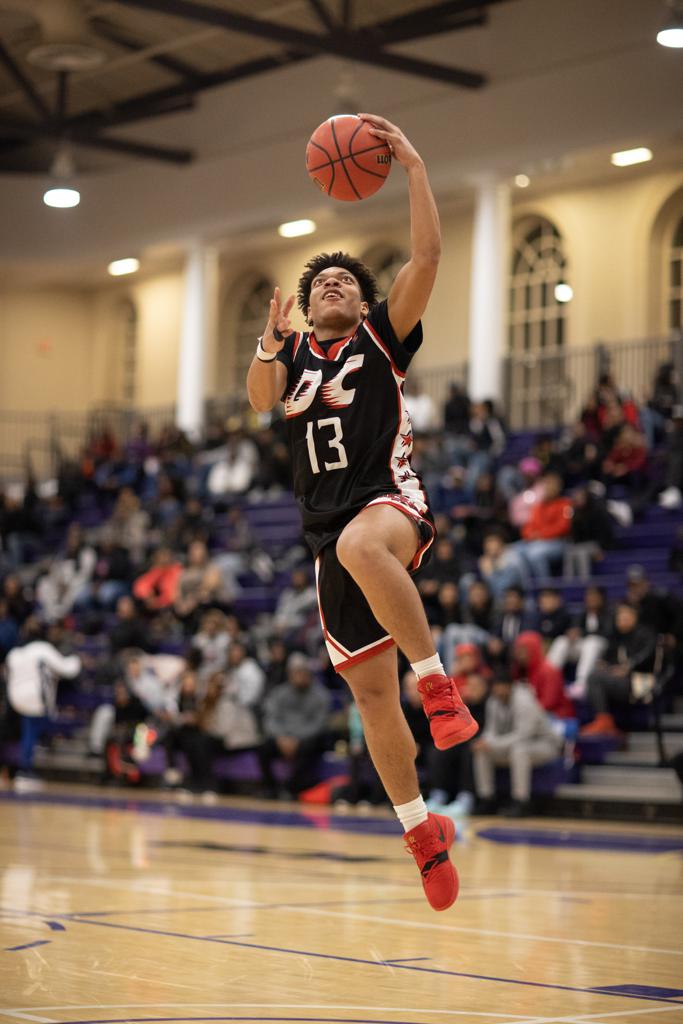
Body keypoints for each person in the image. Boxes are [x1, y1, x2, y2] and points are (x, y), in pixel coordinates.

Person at [246, 112, 476, 913]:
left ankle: (440, 685)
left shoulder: (382, 337)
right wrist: (269, 347)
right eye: (319, 285)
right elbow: (258, 399)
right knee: (372, 702)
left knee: (358, 544)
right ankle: (420, 834)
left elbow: (427, 255)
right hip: (329, 540)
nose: (332, 284)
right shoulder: (294, 356)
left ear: (365, 300)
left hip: (389, 505)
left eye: (344, 279)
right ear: (305, 309)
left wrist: (411, 165)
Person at [472, 675, 563, 817]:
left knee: (519, 750)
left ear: (510, 686)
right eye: (496, 687)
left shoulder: (525, 702)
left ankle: (521, 801)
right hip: (512, 745)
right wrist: (484, 742)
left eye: (501, 686)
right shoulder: (493, 701)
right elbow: (491, 730)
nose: (498, 690)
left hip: (545, 745)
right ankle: (487, 799)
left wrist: (492, 744)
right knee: (482, 751)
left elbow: (523, 735)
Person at [6, 622, 81, 791]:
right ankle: (25, 769)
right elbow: (67, 668)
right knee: (33, 732)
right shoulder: (42, 648)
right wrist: (76, 659)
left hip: (16, 698)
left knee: (29, 730)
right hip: (35, 698)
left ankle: (27, 765)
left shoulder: (15, 653)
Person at [258, 652, 331, 799]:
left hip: (305, 739)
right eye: (296, 672)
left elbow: (319, 724)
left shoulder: (321, 695)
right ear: (290, 674)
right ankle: (270, 788)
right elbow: (270, 719)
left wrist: (296, 739)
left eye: (303, 672)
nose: (300, 676)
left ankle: (292, 788)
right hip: (282, 738)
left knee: (312, 745)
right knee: (262, 747)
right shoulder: (279, 693)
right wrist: (282, 738)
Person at [581, 603, 657, 737]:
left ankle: (604, 720)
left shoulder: (646, 633)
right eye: (619, 616)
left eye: (626, 616)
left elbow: (647, 656)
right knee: (595, 675)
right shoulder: (615, 636)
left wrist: (628, 667)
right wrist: (603, 664)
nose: (622, 619)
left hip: (641, 680)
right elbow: (608, 659)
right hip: (618, 679)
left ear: (635, 617)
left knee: (594, 678)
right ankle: (603, 720)